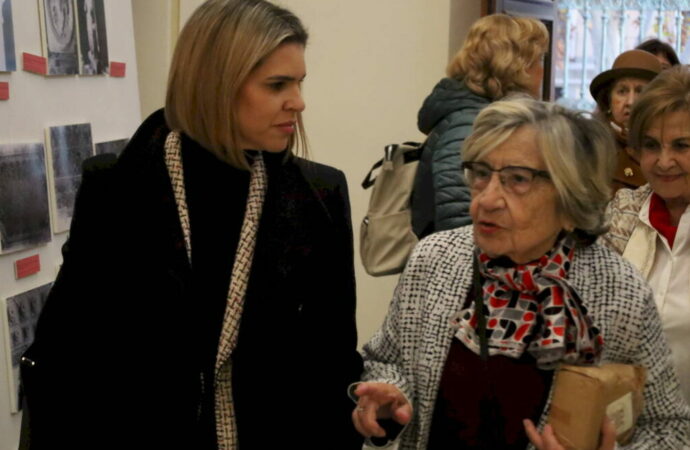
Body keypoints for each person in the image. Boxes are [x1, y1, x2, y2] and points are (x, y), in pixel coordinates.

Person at [21, 1, 363, 449]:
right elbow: (70, 357)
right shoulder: (116, 189)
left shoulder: (320, 194)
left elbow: (332, 358)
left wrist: (362, 411)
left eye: (298, 82)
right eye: (277, 84)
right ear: (216, 84)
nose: (298, 102)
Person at [351, 97, 690, 449]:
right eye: (481, 174)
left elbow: (670, 429)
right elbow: (387, 359)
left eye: (518, 179)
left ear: (569, 196)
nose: (487, 199)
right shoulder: (434, 259)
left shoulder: (620, 293)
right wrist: (392, 398)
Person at [601, 65, 690, 434]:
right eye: (651, 145)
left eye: (682, 146)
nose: (664, 161)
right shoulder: (620, 215)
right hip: (628, 432)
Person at [411, 14, 548, 238]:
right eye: (539, 60)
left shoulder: (483, 118)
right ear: (516, 66)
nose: (542, 70)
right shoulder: (470, 125)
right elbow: (457, 218)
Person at [589, 49, 662, 193]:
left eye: (640, 91)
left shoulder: (675, 148)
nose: (630, 101)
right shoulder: (592, 148)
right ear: (608, 101)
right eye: (622, 91)